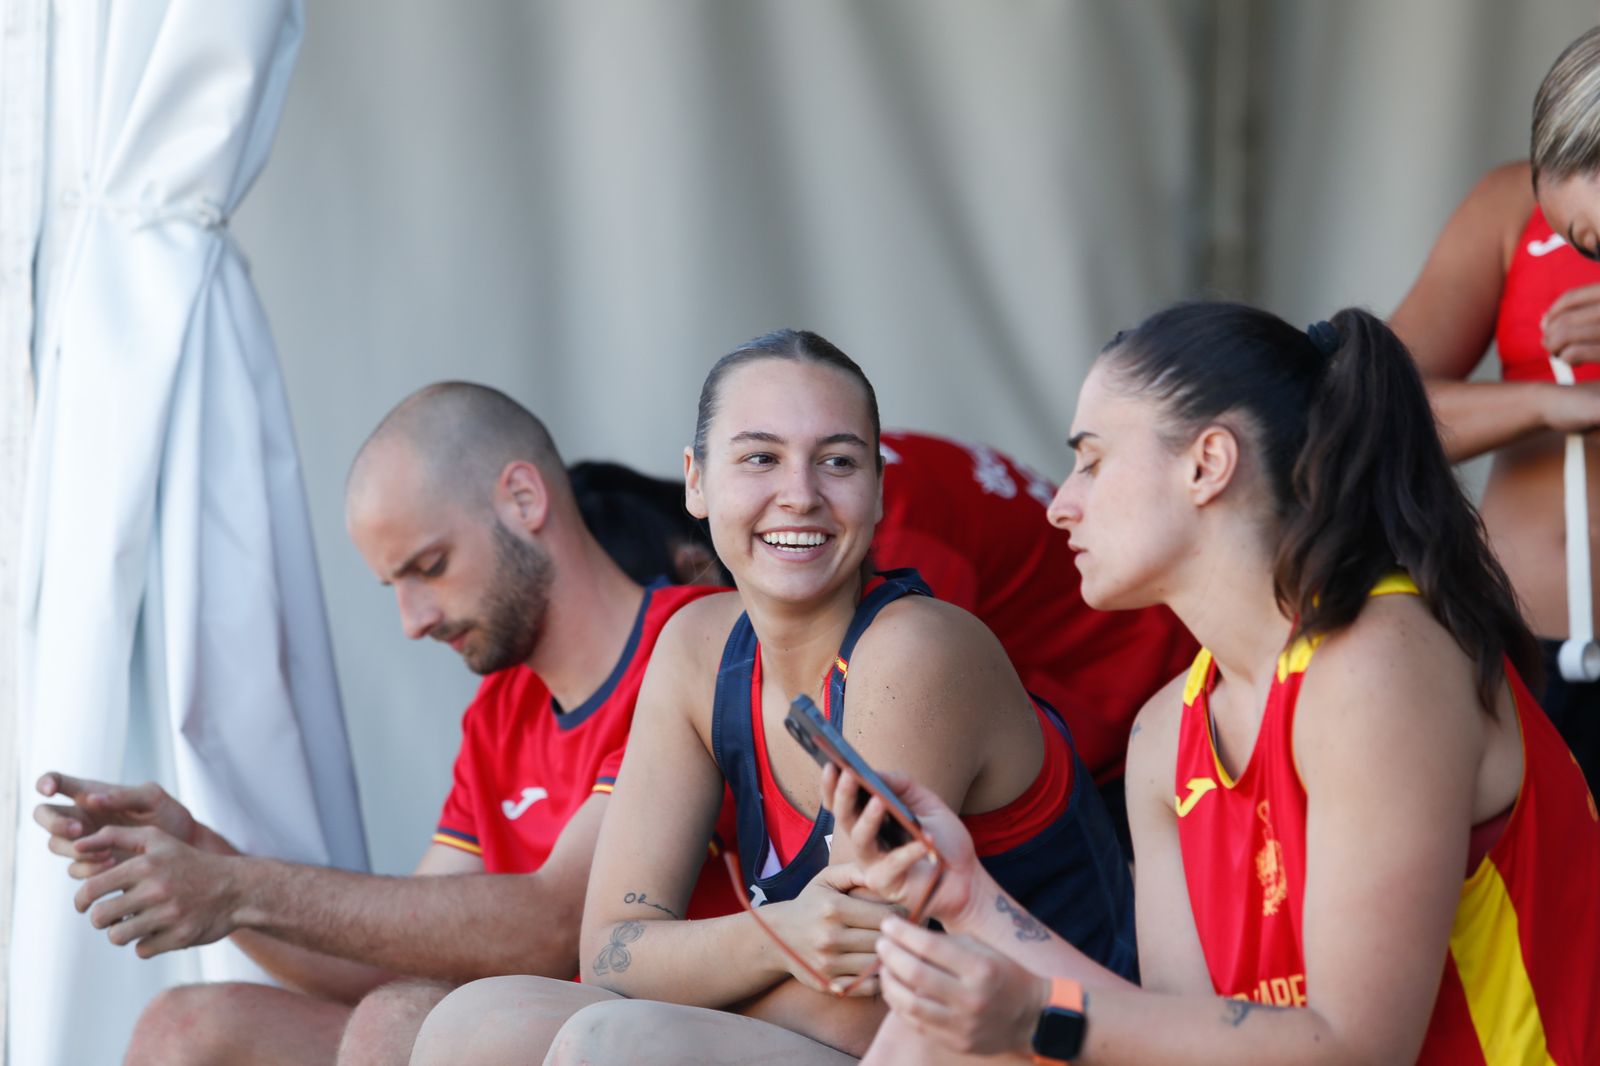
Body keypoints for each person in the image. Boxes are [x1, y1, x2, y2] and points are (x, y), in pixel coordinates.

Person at [824, 302, 1600, 1064]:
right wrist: (966, 896)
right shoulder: (1165, 731)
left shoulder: (1378, 667)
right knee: (929, 1037)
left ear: (1207, 464)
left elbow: (1359, 1047)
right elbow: (1177, 1035)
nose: (1061, 505)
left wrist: (1037, 1014)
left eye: (1092, 460)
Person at [411, 330, 1136, 1065]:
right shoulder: (696, 645)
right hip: (867, 1037)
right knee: (474, 1022)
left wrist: (682, 975)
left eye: (838, 461)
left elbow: (863, 1009)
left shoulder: (915, 652)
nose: (800, 494)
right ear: (696, 482)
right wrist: (774, 937)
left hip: (1032, 1052)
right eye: (760, 458)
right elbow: (611, 951)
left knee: (619, 1040)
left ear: (879, 492)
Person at [33, 382, 735, 1066]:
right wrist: (205, 858)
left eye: (430, 566)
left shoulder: (689, 646)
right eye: (394, 585)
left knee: (395, 1022)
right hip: (522, 1032)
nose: (413, 621)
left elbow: (557, 925)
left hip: (657, 1035)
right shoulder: (500, 708)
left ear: (524, 499)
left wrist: (236, 888)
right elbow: (393, 954)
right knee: (185, 1027)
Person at [570, 431, 1197, 812]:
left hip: (1134, 713)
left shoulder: (885, 551)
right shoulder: (837, 475)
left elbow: (900, 733)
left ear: (687, 565)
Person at [1391, 25, 1600, 790]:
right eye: (1583, 243)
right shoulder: (1508, 205)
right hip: (1533, 644)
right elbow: (1374, 409)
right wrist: (1545, 402)